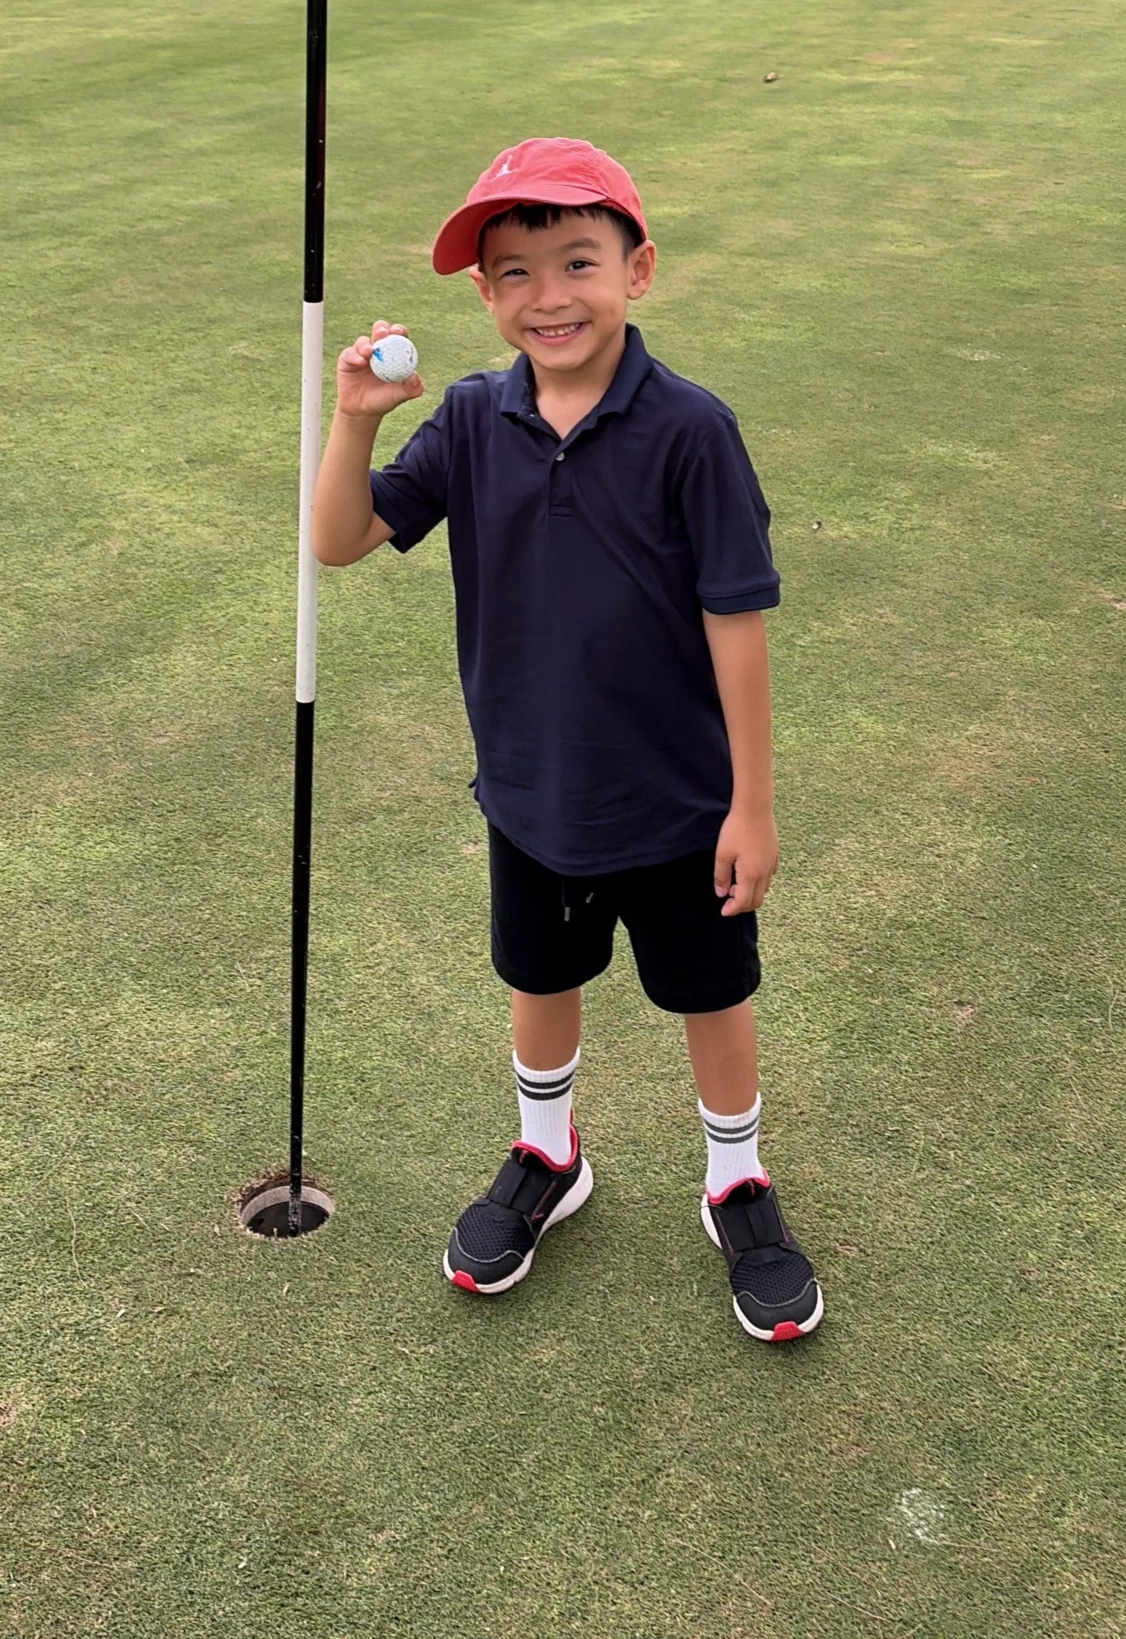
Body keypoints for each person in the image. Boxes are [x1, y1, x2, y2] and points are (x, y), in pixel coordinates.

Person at [312, 137, 824, 1345]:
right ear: (485, 297)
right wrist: (352, 421)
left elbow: (735, 618)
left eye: (579, 261)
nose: (550, 296)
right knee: (538, 981)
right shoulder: (472, 418)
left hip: (680, 800)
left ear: (638, 271)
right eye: (515, 273)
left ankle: (736, 1178)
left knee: (713, 991)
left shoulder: (693, 429)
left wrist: (751, 804)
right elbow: (341, 539)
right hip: (531, 789)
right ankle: (550, 1155)